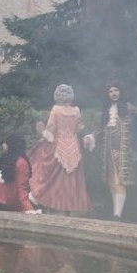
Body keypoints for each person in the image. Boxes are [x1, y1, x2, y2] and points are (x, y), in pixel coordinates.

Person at [28, 84, 92, 214]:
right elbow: (80, 129)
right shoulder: (76, 111)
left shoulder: (56, 109)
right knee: (71, 179)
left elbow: (51, 130)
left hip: (59, 146)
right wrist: (87, 136)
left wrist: (42, 133)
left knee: (54, 178)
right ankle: (69, 208)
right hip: (74, 148)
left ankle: (49, 203)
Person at [83, 81, 137, 221]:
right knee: (112, 182)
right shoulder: (106, 111)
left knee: (120, 181)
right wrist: (90, 136)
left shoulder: (130, 109)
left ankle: (117, 215)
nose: (114, 93)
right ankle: (116, 214)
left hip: (123, 152)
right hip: (107, 152)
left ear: (120, 92)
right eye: (111, 91)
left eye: (116, 90)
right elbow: (101, 129)